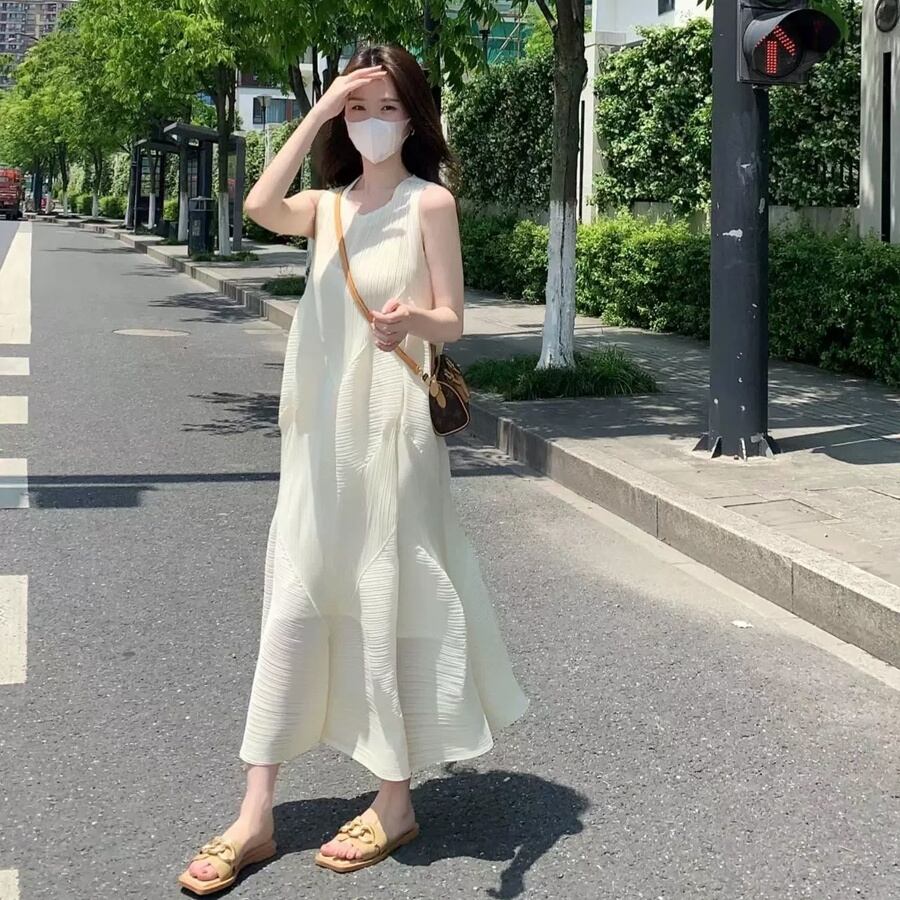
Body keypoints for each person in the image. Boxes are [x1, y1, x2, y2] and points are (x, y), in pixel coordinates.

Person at [177, 42, 529, 896]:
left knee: (389, 591)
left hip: (394, 429)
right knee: (296, 596)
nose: (373, 123)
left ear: (414, 118)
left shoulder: (428, 202)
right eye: (360, 110)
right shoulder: (328, 208)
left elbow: (454, 318)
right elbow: (259, 204)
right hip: (317, 436)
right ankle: (255, 811)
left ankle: (395, 796)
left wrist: (413, 320)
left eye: (388, 107)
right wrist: (322, 105)